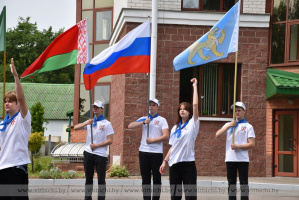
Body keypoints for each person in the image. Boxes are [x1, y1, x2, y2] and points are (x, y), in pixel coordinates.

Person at [159, 78, 200, 200]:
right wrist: (164, 161)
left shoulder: (193, 124)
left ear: (189, 112)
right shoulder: (175, 128)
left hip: (188, 165)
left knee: (190, 196)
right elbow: (172, 147)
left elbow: (195, 104)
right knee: (175, 196)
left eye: (185, 109)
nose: (182, 110)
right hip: (174, 165)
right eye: (180, 109)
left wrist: (195, 86)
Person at [0, 58, 31, 200]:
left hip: (17, 168)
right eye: (5, 101)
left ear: (17, 104)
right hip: (2, 169)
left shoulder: (23, 118)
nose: (7, 103)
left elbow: (21, 97)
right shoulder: (2, 124)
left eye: (11, 101)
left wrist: (16, 76)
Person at [128, 98, 169, 200]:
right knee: (145, 178)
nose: (151, 106)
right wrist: (143, 123)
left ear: (158, 107)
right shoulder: (144, 118)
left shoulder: (162, 120)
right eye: (150, 105)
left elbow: (166, 136)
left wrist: (152, 140)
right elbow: (130, 126)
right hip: (143, 152)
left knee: (156, 178)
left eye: (154, 105)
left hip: (156, 153)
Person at [74, 100, 114, 200]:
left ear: (102, 109)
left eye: (97, 107)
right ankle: (87, 198)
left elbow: (110, 140)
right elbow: (75, 127)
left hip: (100, 154)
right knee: (88, 179)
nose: (95, 108)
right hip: (88, 153)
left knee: (101, 179)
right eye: (94, 107)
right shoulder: (90, 122)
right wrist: (87, 122)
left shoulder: (107, 124)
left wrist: (97, 145)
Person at [215, 101, 255, 200]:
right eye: (235, 111)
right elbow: (217, 135)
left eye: (239, 110)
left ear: (244, 111)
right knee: (231, 183)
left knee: (244, 183)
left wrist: (238, 146)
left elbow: (252, 144)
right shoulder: (228, 124)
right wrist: (229, 126)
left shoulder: (248, 126)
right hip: (230, 158)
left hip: (242, 159)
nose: (237, 112)